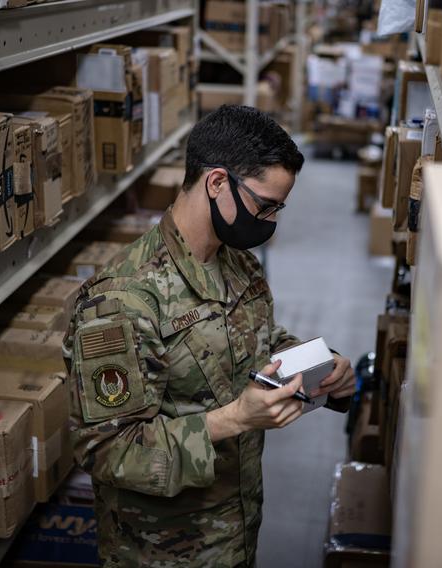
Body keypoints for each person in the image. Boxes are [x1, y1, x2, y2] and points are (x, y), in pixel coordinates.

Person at [63, 104, 356, 567]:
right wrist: (236, 418)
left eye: (279, 208)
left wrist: (321, 365)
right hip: (161, 552)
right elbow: (105, 450)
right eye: (265, 205)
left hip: (236, 532)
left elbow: (259, 338)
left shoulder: (236, 262)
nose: (271, 221)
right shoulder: (124, 299)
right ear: (216, 182)